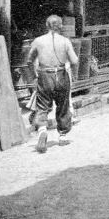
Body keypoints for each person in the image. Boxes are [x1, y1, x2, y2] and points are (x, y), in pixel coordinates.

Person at [26, 15, 79, 153]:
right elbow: (74, 61)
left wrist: (34, 76)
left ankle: (43, 130)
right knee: (63, 105)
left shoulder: (38, 41)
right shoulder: (65, 41)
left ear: (46, 25)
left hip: (44, 75)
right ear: (61, 26)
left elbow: (29, 60)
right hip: (61, 75)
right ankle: (62, 136)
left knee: (42, 106)